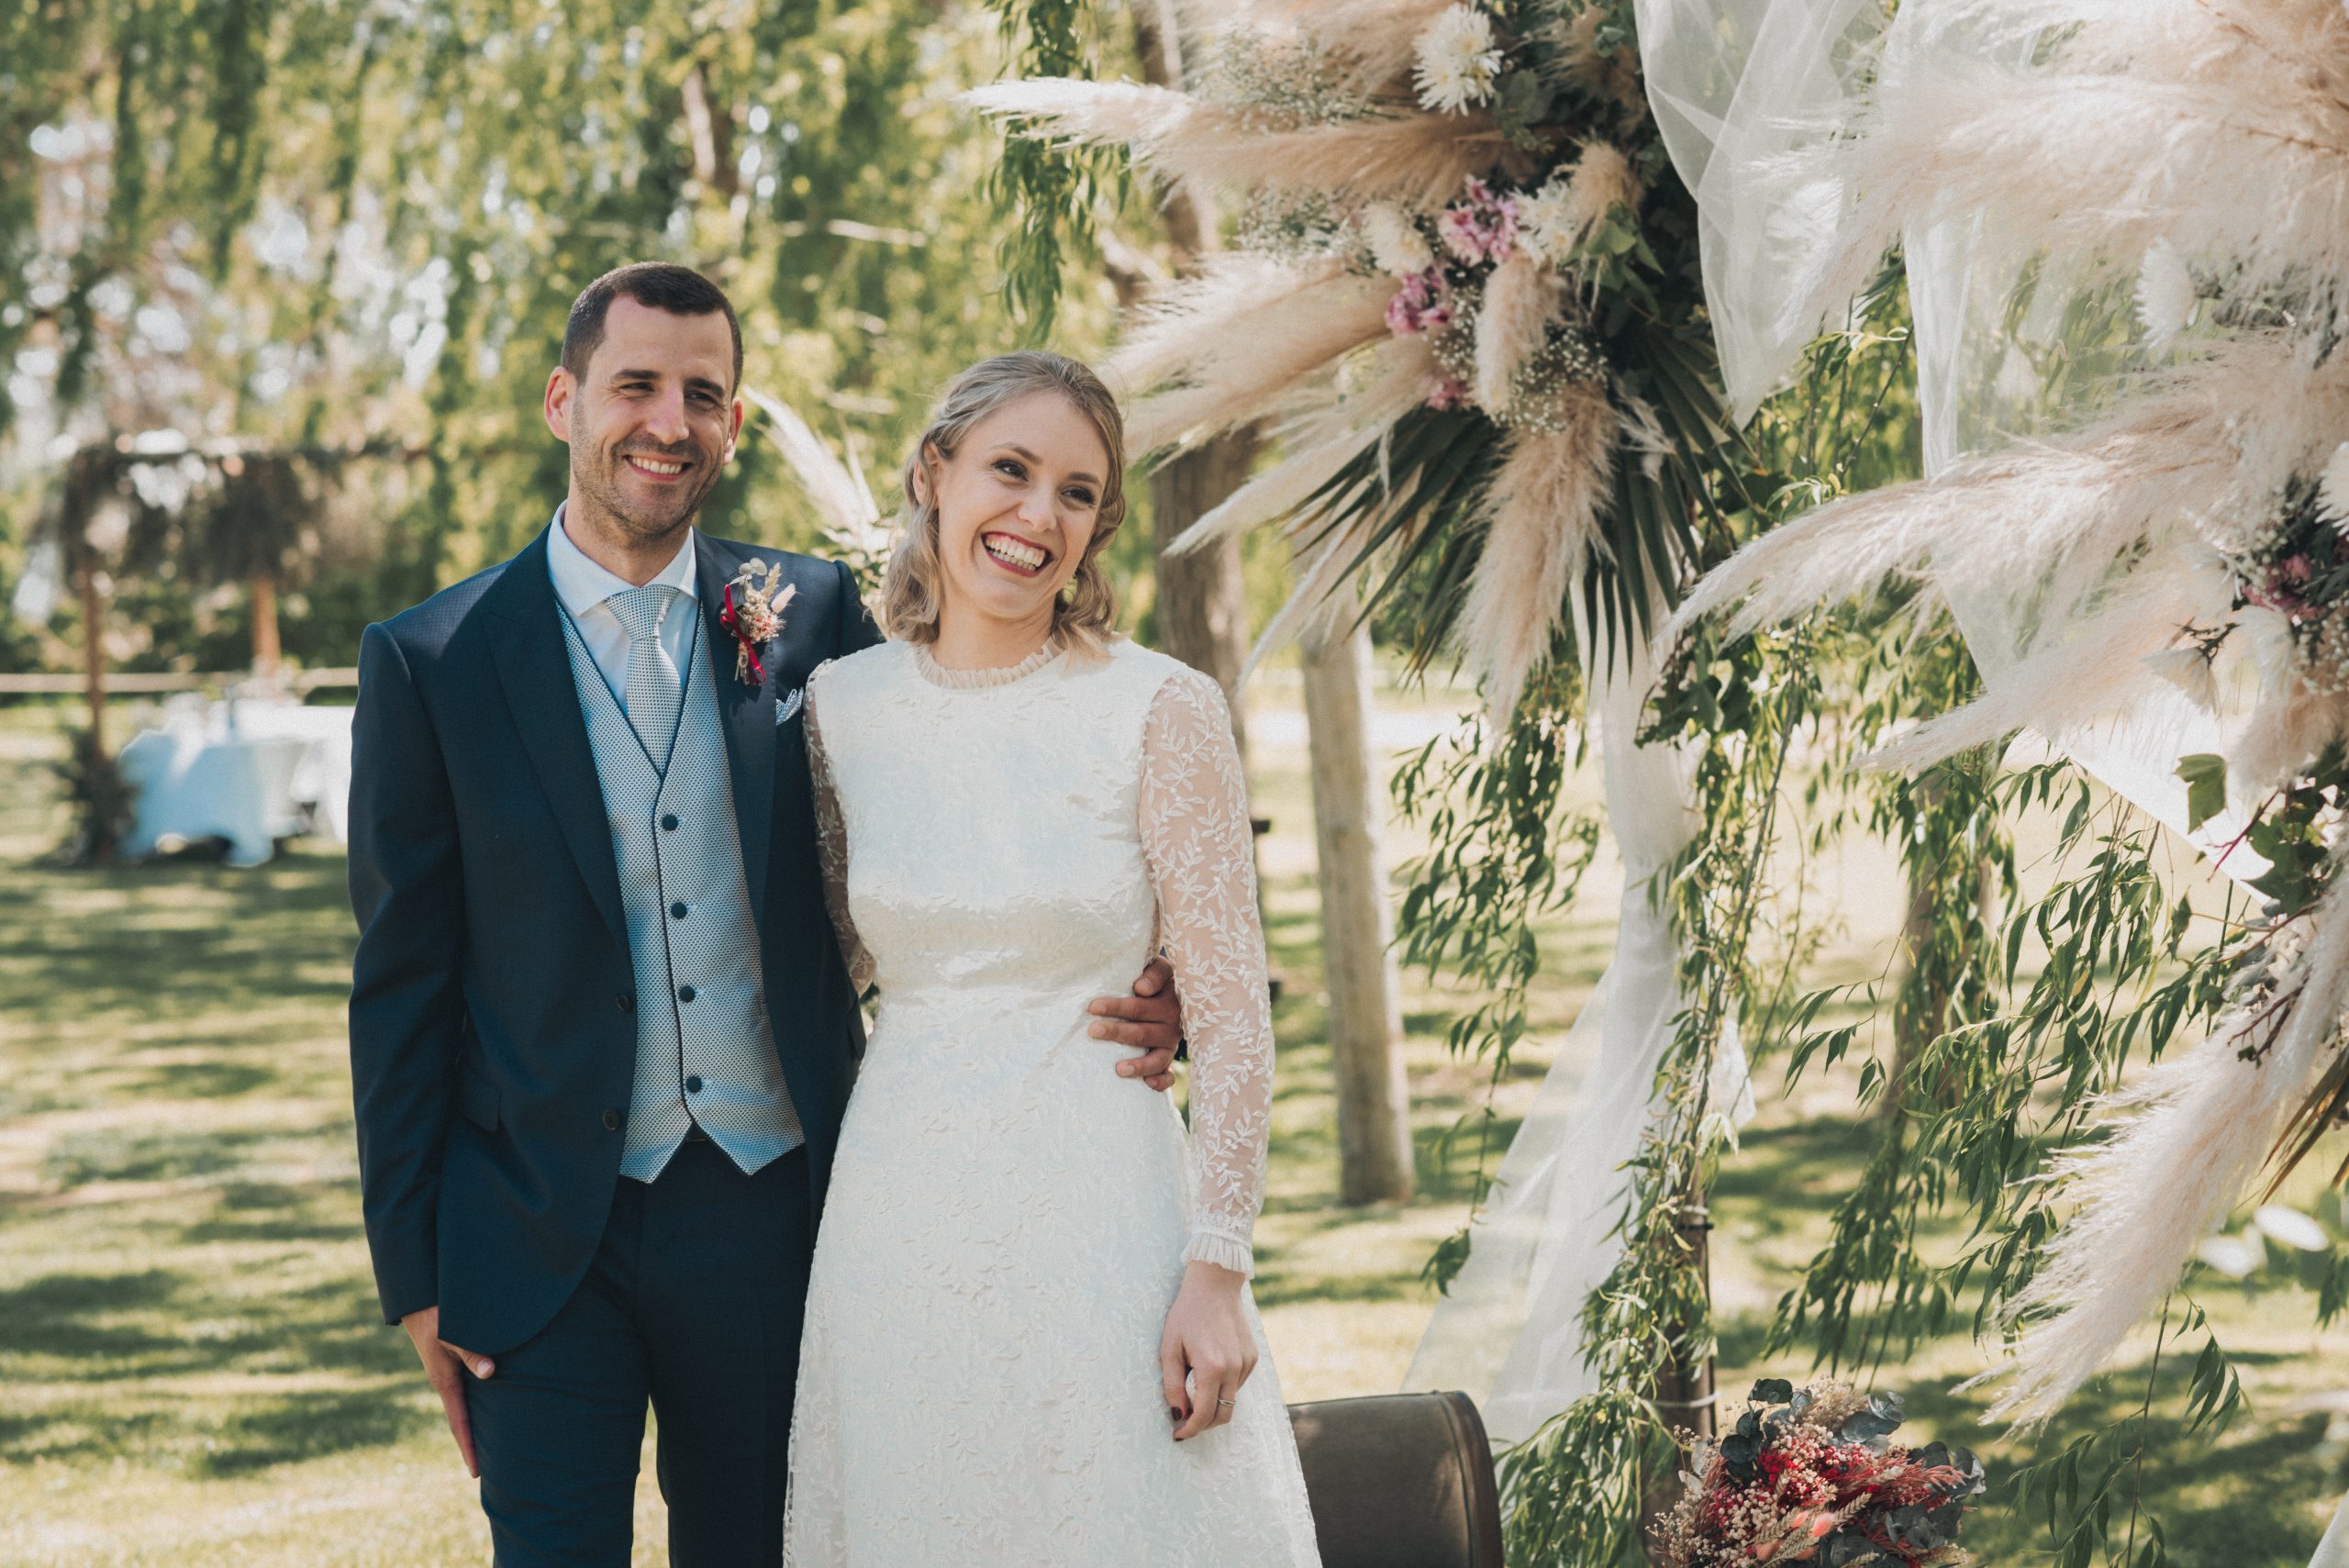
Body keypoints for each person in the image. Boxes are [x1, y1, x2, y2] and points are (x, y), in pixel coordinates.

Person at [344, 265, 1185, 1568]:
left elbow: (953, 840)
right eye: (636, 386)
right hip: (532, 1234)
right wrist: (416, 1274)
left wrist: (1145, 967)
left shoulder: (812, 624)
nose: (668, 421)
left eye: (704, 393)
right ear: (565, 400)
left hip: (773, 1212)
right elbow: (397, 985)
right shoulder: (432, 659)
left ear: (733, 421)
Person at [785, 351, 1321, 1564]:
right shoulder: (840, 710)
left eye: (1077, 493)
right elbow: (831, 959)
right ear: (935, 472)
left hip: (1105, 1214)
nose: (1037, 516)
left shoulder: (1160, 705)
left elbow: (1235, 1015)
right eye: (1010, 471)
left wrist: (1218, 1269)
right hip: (900, 1217)